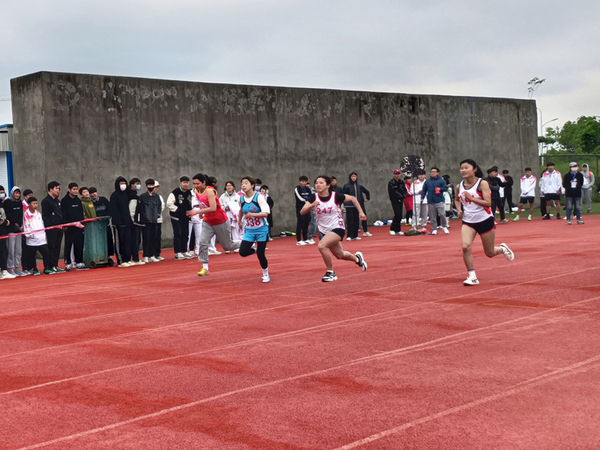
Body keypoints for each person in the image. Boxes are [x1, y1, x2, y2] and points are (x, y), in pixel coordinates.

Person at [455, 159, 514, 286]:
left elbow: (488, 202)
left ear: (474, 169)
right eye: (461, 168)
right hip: (468, 221)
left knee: (489, 253)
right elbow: (457, 199)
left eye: (466, 167)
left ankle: (502, 249)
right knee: (465, 247)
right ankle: (472, 276)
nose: (463, 170)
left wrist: (471, 198)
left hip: (484, 220)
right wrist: (459, 209)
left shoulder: (482, 183)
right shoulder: (459, 186)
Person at [301, 175, 367, 282]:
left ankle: (330, 272)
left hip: (337, 227)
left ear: (327, 185)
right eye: (316, 183)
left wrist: (361, 212)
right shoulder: (314, 198)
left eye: (321, 183)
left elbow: (353, 198)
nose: (318, 185)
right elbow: (302, 211)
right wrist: (311, 205)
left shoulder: (335, 196)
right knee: (340, 255)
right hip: (325, 231)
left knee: (322, 246)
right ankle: (357, 259)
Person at [186, 173, 240, 276]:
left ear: (204, 182)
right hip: (208, 222)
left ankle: (247, 243)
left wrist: (197, 212)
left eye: (197, 184)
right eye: (194, 184)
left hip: (220, 221)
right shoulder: (196, 191)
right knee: (202, 242)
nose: (195, 186)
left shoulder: (210, 191)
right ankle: (205, 267)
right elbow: (202, 203)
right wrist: (201, 212)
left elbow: (213, 208)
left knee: (228, 246)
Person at [238, 176, 271, 282]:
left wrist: (252, 214)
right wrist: (239, 220)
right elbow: (241, 210)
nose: (243, 185)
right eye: (242, 183)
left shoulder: (259, 197)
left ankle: (265, 273)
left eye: (246, 183)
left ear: (252, 185)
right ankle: (255, 250)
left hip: (261, 230)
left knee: (261, 255)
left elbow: (266, 213)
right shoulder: (241, 199)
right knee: (243, 252)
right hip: (249, 230)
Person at [22, 197, 54, 275]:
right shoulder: (26, 215)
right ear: (29, 204)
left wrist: (43, 234)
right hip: (32, 240)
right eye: (33, 203)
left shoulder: (38, 213)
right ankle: (34, 269)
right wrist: (30, 235)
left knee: (46, 254)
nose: (35, 205)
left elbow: (42, 224)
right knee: (32, 255)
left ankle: (47, 268)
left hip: (41, 239)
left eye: (36, 203)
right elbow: (26, 226)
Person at [61, 182, 89, 271]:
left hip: (78, 227)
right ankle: (68, 263)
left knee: (79, 244)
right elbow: (63, 214)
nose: (75, 191)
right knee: (68, 245)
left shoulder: (78, 200)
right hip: (69, 227)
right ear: (69, 189)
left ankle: (79, 262)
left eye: (76, 189)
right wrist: (65, 224)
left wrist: (82, 224)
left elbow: (80, 213)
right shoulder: (64, 200)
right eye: (74, 189)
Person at [167, 176, 194, 260]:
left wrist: (190, 212)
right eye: (184, 182)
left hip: (185, 217)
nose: (185, 184)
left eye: (187, 183)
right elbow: (169, 204)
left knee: (185, 234)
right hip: (176, 218)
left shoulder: (189, 193)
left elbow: (190, 203)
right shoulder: (175, 192)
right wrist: (178, 210)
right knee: (178, 234)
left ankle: (185, 251)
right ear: (180, 183)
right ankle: (178, 252)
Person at [109, 177, 134, 267]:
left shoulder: (125, 195)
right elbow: (114, 211)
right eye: (121, 183)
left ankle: (127, 259)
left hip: (127, 223)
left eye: (124, 183)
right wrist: (117, 223)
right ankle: (121, 260)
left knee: (127, 242)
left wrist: (129, 221)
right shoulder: (114, 196)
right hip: (118, 224)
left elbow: (127, 210)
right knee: (119, 242)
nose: (123, 185)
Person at [41, 181, 65, 273]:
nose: (58, 190)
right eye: (56, 188)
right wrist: (49, 226)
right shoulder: (46, 201)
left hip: (59, 227)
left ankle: (55, 264)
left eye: (59, 188)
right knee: (52, 247)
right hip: (51, 228)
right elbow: (45, 215)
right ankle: (50, 265)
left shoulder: (58, 201)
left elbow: (60, 213)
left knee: (57, 247)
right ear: (51, 189)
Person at [89, 186, 115, 266]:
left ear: (97, 192)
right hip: (95, 227)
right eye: (91, 193)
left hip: (105, 224)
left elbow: (110, 209)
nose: (93, 194)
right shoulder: (89, 203)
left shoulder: (104, 200)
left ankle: (108, 256)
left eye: (94, 192)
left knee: (108, 239)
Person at [138, 179, 162, 263]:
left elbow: (159, 206)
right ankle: (145, 255)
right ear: (146, 186)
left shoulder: (157, 196)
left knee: (153, 238)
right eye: (149, 185)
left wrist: (157, 215)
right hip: (146, 221)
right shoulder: (142, 196)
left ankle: (152, 255)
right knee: (146, 239)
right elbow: (141, 208)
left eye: (152, 185)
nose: (151, 187)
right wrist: (143, 218)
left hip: (154, 220)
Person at [4, 187, 25, 276]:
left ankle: (17, 267)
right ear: (12, 193)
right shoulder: (7, 202)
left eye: (18, 193)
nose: (17, 195)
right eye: (15, 193)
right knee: (11, 250)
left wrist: (20, 225)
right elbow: (8, 214)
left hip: (18, 230)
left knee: (18, 250)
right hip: (11, 229)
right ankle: (10, 267)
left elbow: (21, 215)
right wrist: (14, 223)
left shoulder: (20, 202)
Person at [420, 167, 449, 235]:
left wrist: (440, 189)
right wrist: (422, 198)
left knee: (442, 214)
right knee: (432, 216)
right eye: (431, 171)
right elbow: (424, 190)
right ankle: (434, 229)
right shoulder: (427, 181)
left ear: (437, 173)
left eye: (434, 172)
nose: (432, 173)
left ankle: (444, 226)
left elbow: (445, 188)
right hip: (430, 201)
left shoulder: (441, 180)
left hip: (439, 200)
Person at [342, 172, 371, 239]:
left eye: (355, 176)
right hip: (349, 206)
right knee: (350, 221)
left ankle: (355, 235)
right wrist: (345, 203)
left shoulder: (358, 186)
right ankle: (349, 235)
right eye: (352, 176)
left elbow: (366, 192)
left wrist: (367, 198)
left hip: (357, 206)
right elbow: (343, 195)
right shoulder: (346, 186)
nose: (353, 178)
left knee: (356, 220)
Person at [220, 181, 243, 246]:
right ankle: (227, 246)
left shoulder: (237, 196)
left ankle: (237, 245)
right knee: (227, 230)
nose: (229, 187)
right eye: (227, 186)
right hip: (226, 214)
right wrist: (225, 208)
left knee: (235, 229)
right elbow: (220, 206)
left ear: (233, 187)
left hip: (235, 215)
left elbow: (240, 205)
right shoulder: (222, 196)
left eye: (230, 186)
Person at [128, 178, 145, 264]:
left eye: (139, 183)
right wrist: (133, 221)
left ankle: (135, 257)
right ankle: (135, 258)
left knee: (136, 240)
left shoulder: (134, 194)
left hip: (136, 221)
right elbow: (132, 209)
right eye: (137, 183)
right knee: (135, 240)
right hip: (135, 222)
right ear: (132, 185)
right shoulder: (132, 196)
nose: (138, 185)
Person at [387, 169, 407, 235]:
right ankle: (392, 228)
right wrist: (400, 196)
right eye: (396, 174)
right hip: (394, 200)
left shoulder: (401, 182)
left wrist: (403, 196)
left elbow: (404, 190)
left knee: (400, 215)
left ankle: (398, 229)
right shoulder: (391, 183)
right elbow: (394, 192)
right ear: (394, 174)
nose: (397, 175)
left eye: (398, 174)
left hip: (401, 200)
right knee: (397, 214)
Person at [294, 175, 312, 245]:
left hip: (307, 208)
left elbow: (311, 196)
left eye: (305, 181)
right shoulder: (297, 189)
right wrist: (307, 201)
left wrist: (309, 203)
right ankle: (299, 240)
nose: (304, 183)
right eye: (302, 181)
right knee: (300, 223)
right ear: (300, 182)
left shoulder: (308, 189)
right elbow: (300, 198)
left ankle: (305, 238)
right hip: (300, 208)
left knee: (306, 223)